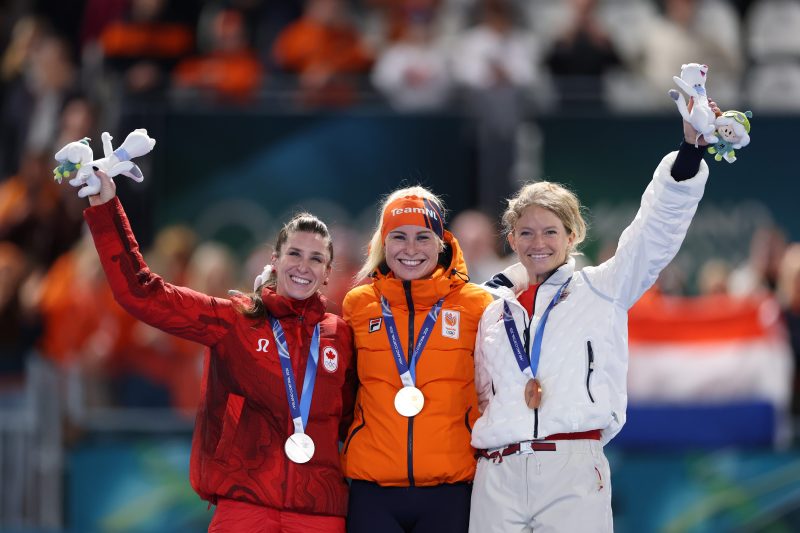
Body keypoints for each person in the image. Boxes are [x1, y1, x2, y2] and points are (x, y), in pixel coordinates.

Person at [467, 110, 715, 532]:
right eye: (525, 233)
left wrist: (689, 152)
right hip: (496, 470)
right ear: (511, 240)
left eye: (550, 231)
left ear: (572, 235)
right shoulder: (489, 308)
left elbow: (654, 232)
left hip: (572, 467)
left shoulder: (604, 288)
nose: (538, 243)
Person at [79, 169, 357, 532]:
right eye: (294, 253)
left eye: (316, 259)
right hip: (245, 504)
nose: (303, 266)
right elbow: (143, 294)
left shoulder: (341, 337)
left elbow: (359, 422)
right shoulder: (235, 322)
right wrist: (106, 208)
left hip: (319, 512)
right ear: (274, 260)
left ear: (327, 272)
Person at [340, 186, 526, 532]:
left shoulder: (475, 305)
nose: (411, 250)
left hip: (450, 488)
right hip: (372, 489)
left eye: (423, 237)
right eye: (399, 237)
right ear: (383, 242)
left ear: (441, 241)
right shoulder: (358, 304)